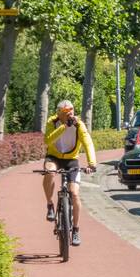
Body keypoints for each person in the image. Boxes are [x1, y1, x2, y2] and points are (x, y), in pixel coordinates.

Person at [43, 100, 96, 246]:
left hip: (72, 159)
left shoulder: (79, 124)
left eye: (71, 113)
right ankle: (49, 205)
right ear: (59, 114)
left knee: (74, 193)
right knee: (50, 171)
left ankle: (76, 229)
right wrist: (64, 127)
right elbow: (47, 140)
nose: (70, 116)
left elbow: (88, 142)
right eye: (66, 114)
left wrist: (92, 163)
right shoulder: (52, 122)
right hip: (54, 156)